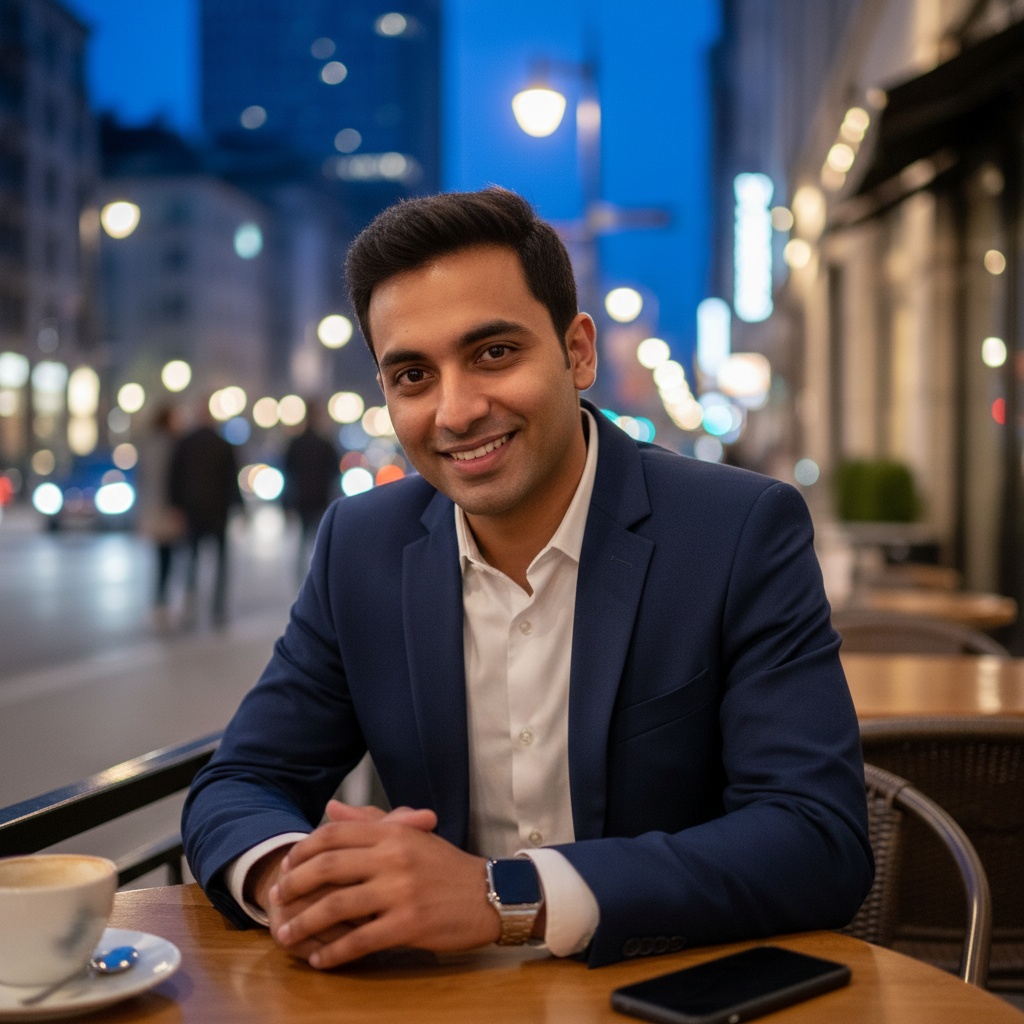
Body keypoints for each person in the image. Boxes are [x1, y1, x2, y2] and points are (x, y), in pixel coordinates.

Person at [182, 187, 872, 969]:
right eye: (412, 375)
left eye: (494, 353)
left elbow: (817, 838)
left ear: (577, 351)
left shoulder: (736, 529)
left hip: (663, 984)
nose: (456, 410)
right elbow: (239, 782)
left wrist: (503, 895)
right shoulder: (361, 545)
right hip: (442, 1001)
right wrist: (295, 881)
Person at [168, 399, 243, 627]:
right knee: (220, 563)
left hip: (193, 510)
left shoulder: (186, 443)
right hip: (217, 511)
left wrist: (176, 505)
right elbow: (231, 479)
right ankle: (217, 609)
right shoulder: (222, 443)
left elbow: (174, 476)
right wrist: (238, 508)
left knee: (191, 561)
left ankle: (189, 608)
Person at [135, 402, 185, 630]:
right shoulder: (173, 445)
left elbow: (142, 478)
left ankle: (159, 599)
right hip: (168, 507)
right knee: (169, 556)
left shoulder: (148, 444)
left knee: (161, 556)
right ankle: (164, 599)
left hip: (153, 506)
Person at [281, 402, 340, 581]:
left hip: (301, 499)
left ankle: (301, 579)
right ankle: (318, 578)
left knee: (302, 539)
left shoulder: (295, 443)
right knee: (320, 542)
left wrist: (287, 504)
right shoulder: (325, 444)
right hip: (321, 498)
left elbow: (288, 475)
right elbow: (335, 473)